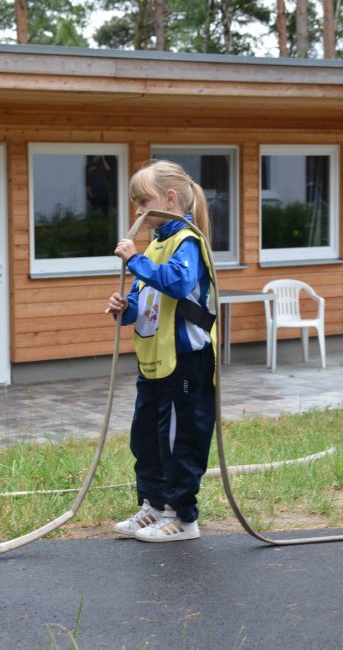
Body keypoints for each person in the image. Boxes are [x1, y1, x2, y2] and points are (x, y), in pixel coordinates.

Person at [105, 160, 217, 543]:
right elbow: (145, 301)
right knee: (146, 438)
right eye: (135, 203)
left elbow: (179, 282)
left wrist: (134, 260)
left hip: (186, 363)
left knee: (179, 441)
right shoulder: (154, 245)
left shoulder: (187, 241)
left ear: (169, 199)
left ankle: (182, 517)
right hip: (155, 361)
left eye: (143, 202)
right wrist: (125, 309)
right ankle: (153, 505)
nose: (137, 211)